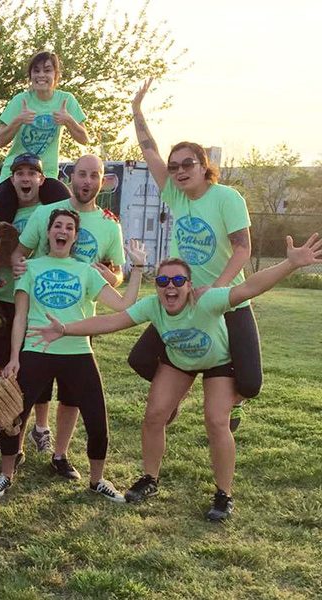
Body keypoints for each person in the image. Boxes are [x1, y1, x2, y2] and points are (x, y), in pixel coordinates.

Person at [28, 234, 322, 520]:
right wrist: (65, 329)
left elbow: (249, 287)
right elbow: (110, 321)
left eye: (178, 281)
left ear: (190, 286)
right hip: (179, 361)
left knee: (216, 421)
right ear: (156, 286)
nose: (170, 286)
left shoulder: (207, 300)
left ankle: (224, 494)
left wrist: (291, 264)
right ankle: (150, 478)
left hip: (218, 363)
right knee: (154, 415)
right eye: (163, 281)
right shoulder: (152, 306)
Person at [0, 208, 146, 500]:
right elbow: (20, 316)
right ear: (48, 233)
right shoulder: (30, 267)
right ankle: (5, 475)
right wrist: (14, 357)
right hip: (36, 350)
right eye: (57, 226)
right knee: (13, 416)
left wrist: (138, 267)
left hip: (78, 351)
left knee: (97, 418)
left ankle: (97, 480)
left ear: (75, 236)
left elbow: (124, 305)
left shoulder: (86, 271)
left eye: (69, 228)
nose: (63, 231)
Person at [129, 79, 261, 431]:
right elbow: (149, 151)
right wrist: (137, 110)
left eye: (187, 164)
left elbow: (243, 249)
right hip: (182, 298)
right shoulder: (176, 194)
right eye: (174, 167)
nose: (179, 171)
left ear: (204, 165)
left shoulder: (227, 198)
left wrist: (216, 289)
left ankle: (233, 400)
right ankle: (174, 392)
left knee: (250, 383)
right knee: (141, 359)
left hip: (227, 300)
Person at [9, 154, 126, 477]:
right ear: (70, 177)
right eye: (82, 174)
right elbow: (20, 253)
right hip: (39, 324)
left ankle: (59, 455)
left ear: (102, 181)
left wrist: (113, 278)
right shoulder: (45, 213)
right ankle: (15, 450)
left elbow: (117, 274)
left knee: (72, 397)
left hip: (78, 325)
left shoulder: (109, 224)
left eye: (94, 175)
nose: (87, 181)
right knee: (30, 394)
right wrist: (18, 266)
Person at [0, 153, 49, 452]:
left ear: (41, 179)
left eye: (31, 173)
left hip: (36, 300)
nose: (25, 178)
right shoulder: (2, 212)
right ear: (12, 180)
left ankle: (40, 428)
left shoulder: (48, 211)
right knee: (0, 364)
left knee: (38, 365)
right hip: (4, 297)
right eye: (19, 173)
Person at [0, 51, 88, 224]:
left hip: (45, 174)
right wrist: (18, 120)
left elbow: (84, 139)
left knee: (69, 215)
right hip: (14, 173)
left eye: (47, 70)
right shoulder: (20, 100)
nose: (41, 75)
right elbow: (0, 141)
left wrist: (68, 120)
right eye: (36, 71)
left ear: (56, 75)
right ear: (30, 76)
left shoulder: (66, 100)